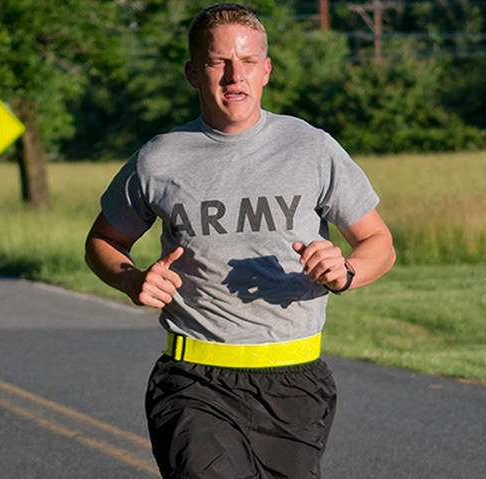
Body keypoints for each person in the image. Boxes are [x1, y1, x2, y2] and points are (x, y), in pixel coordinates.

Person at [83, 3, 395, 478]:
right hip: (194, 381)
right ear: (193, 72)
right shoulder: (160, 159)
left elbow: (378, 241)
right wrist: (131, 280)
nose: (235, 76)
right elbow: (103, 241)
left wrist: (347, 271)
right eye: (217, 62)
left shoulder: (311, 148)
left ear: (265, 70)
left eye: (248, 62)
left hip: (295, 382)